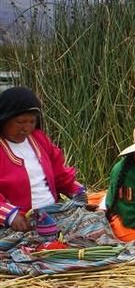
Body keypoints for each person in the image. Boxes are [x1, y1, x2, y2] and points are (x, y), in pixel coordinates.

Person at [0, 87, 87, 232]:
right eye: (20, 122)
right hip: (20, 220)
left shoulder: (38, 139)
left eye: (31, 122)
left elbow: (59, 172)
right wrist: (10, 215)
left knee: (95, 222)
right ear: (4, 120)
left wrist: (76, 190)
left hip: (52, 212)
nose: (26, 128)